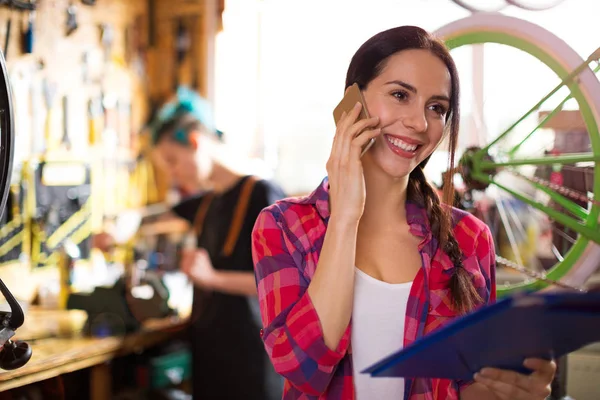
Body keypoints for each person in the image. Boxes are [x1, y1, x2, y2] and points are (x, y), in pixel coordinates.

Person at [251, 26, 555, 400]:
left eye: (437, 108)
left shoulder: (469, 237)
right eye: (399, 95)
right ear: (352, 101)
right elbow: (302, 366)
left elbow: (464, 387)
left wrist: (516, 391)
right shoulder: (283, 225)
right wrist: (345, 216)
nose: (420, 123)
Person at [151, 87, 286, 400]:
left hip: (250, 361)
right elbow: (158, 215)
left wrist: (211, 277)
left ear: (196, 142)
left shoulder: (262, 194)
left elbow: (277, 283)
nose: (173, 174)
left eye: (173, 161)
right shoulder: (209, 201)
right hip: (211, 354)